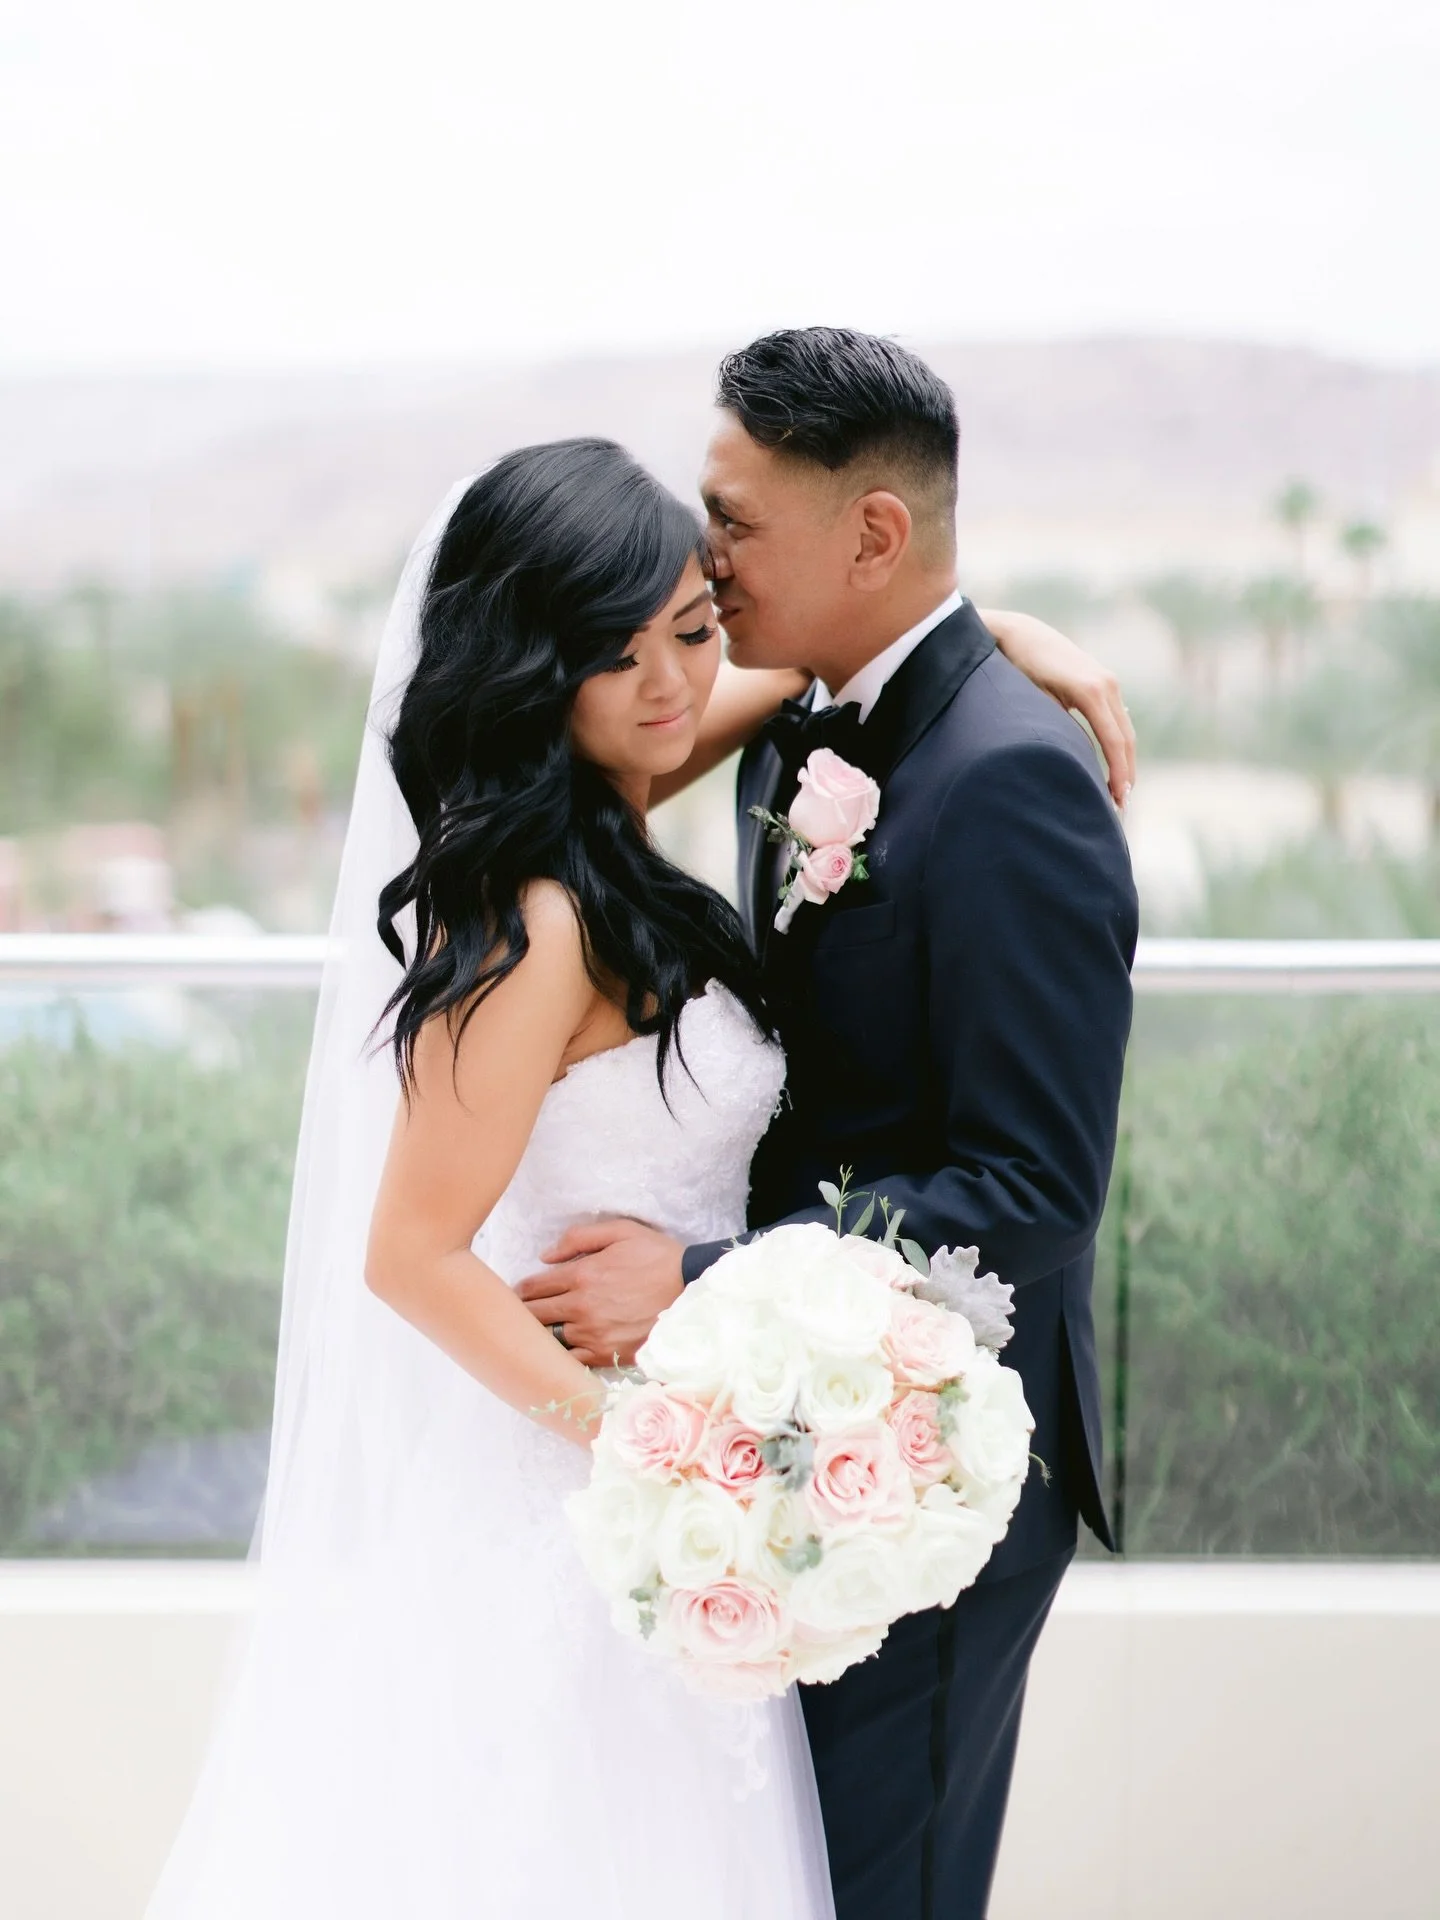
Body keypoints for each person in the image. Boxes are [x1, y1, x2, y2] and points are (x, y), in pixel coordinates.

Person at [146, 432, 1130, 1919]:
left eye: (689, 628)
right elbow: (409, 1253)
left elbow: (820, 678)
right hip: (584, 1476)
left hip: (686, 1461)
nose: (669, 684)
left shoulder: (619, 784)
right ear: (535, 673)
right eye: (616, 655)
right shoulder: (533, 920)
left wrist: (992, 633)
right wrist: (637, 1444)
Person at [516, 333, 1139, 1920]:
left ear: (871, 535)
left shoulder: (1011, 783)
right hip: (783, 1445)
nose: (703, 558)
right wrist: (993, 624)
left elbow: (1035, 1186)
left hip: (930, 1477)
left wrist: (704, 1281)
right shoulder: (813, 711)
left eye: (732, 521)